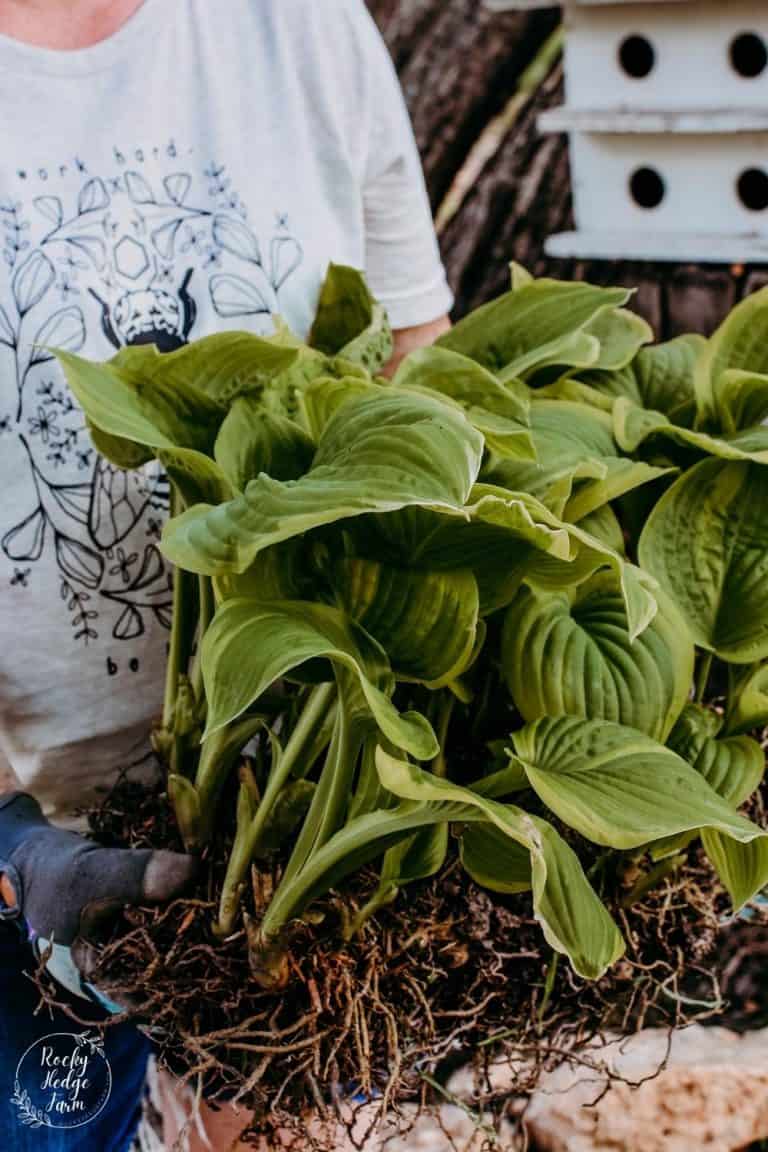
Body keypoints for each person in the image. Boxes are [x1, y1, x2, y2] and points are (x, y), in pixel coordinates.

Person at [0, 0, 453, 1148]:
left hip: (300, 859)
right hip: (29, 865)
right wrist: (12, 856)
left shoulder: (297, 25)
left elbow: (421, 400)